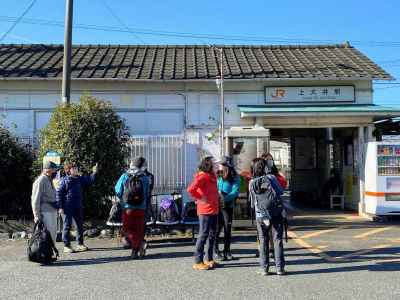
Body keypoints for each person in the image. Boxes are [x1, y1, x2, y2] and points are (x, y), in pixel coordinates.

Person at [249, 158, 286, 276]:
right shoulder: (271, 178)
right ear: (265, 167)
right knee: (277, 239)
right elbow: (280, 192)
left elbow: (252, 202)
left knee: (263, 240)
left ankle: (264, 268)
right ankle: (280, 268)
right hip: (276, 212)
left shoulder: (252, 182)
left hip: (261, 215)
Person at [56, 162, 97, 253]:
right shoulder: (64, 180)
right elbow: (59, 194)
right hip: (67, 207)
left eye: (76, 168)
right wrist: (60, 207)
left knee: (79, 225)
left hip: (78, 206)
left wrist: (94, 172)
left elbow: (89, 180)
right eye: (73, 168)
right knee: (67, 226)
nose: (76, 169)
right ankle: (66, 245)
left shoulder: (80, 179)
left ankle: (80, 244)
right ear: (68, 171)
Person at [187, 156, 219, 271]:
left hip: (214, 209)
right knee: (203, 234)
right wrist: (200, 197)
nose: (217, 165)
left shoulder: (212, 176)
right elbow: (190, 189)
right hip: (205, 210)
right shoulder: (203, 176)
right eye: (214, 163)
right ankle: (198, 261)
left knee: (212, 235)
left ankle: (209, 259)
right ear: (209, 165)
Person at [115, 157, 150, 259]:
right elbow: (147, 192)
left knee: (126, 229)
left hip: (127, 208)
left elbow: (117, 190)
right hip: (141, 208)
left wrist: (122, 199)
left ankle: (138, 247)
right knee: (138, 230)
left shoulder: (124, 176)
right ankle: (136, 250)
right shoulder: (145, 178)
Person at [215, 157, 240, 261]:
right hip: (217, 206)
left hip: (227, 206)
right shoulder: (219, 175)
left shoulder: (235, 177)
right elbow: (215, 187)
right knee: (217, 229)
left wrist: (224, 197)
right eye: (221, 164)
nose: (221, 166)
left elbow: (235, 192)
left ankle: (227, 251)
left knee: (227, 229)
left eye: (223, 164)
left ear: (228, 166)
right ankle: (215, 250)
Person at [31, 161, 59, 243]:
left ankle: (50, 254)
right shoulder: (41, 180)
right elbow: (35, 200)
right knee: (46, 236)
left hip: (52, 211)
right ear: (48, 170)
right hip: (45, 212)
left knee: (53, 234)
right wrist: (36, 216)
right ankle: (45, 255)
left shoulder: (49, 179)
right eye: (55, 170)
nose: (56, 172)